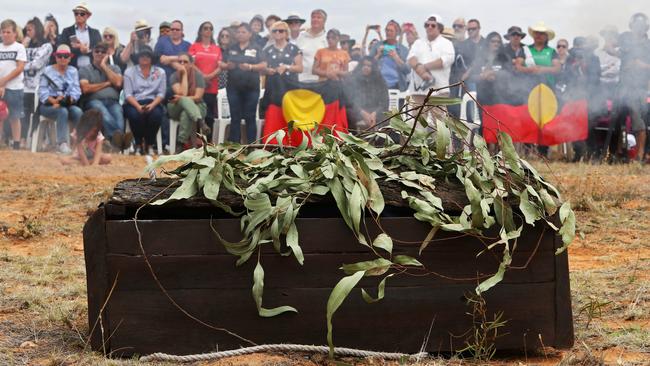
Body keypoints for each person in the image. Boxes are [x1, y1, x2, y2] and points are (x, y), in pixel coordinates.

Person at [609, 13, 650, 162]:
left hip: (638, 88)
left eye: (640, 25)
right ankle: (619, 152)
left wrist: (641, 65)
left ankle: (639, 156)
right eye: (635, 25)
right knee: (618, 119)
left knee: (638, 122)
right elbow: (612, 47)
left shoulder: (648, 44)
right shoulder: (626, 38)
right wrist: (611, 48)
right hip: (623, 85)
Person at [79, 42, 128, 149]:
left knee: (118, 112)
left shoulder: (115, 68)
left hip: (113, 101)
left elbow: (118, 83)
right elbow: (86, 88)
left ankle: (115, 144)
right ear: (92, 53)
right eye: (97, 51)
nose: (99, 54)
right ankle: (120, 140)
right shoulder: (85, 69)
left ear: (107, 54)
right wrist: (107, 83)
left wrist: (104, 66)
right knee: (102, 112)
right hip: (93, 101)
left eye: (103, 52)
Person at [407, 14, 455, 122]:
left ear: (440, 28)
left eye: (433, 25)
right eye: (426, 25)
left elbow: (446, 60)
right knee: (417, 123)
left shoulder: (446, 43)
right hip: (418, 91)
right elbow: (411, 58)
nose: (429, 27)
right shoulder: (418, 42)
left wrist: (424, 66)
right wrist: (422, 72)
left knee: (439, 125)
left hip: (438, 90)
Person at [222, 23, 264, 143]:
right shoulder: (231, 48)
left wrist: (250, 66)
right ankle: (234, 146)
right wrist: (227, 66)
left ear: (250, 34)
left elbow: (264, 64)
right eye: (238, 32)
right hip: (233, 88)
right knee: (235, 117)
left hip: (251, 88)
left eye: (243, 32)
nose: (240, 34)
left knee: (250, 117)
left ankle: (251, 147)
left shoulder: (256, 48)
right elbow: (221, 63)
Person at [38, 44, 83, 154]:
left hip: (66, 103)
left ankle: (79, 144)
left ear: (70, 58)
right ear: (56, 57)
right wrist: (54, 101)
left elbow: (76, 90)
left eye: (66, 56)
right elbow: (42, 92)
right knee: (62, 112)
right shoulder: (47, 70)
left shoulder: (73, 71)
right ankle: (62, 144)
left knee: (78, 112)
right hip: (48, 104)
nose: (62, 58)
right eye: (60, 56)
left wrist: (69, 100)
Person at [123, 46, 166, 155]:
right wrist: (138, 106)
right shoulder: (129, 72)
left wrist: (152, 105)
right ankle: (138, 144)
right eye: (142, 55)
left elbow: (161, 93)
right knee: (134, 115)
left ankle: (150, 144)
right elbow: (128, 94)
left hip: (153, 102)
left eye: (147, 55)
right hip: (134, 102)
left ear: (152, 58)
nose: (145, 58)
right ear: (138, 58)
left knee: (156, 115)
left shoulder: (160, 72)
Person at [260, 21, 303, 118]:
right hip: (273, 87)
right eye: (275, 31)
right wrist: (267, 70)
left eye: (281, 31)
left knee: (290, 117)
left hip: (289, 87)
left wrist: (287, 67)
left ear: (286, 33)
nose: (277, 33)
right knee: (273, 116)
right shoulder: (267, 50)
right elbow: (262, 69)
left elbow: (300, 68)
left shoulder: (294, 49)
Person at [22, 17, 52, 147]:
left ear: (37, 29)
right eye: (26, 29)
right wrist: (22, 47)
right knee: (23, 113)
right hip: (23, 85)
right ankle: (22, 139)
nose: (27, 32)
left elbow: (37, 64)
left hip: (39, 85)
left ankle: (39, 140)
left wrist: (20, 66)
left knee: (36, 113)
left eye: (30, 29)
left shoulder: (46, 45)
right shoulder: (23, 46)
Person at [168, 52, 207, 149]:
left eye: (185, 62)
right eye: (179, 62)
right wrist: (184, 74)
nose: (182, 64)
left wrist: (182, 98)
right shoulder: (174, 76)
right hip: (176, 107)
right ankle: (200, 121)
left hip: (198, 106)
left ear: (191, 64)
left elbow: (198, 97)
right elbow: (182, 94)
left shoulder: (198, 76)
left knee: (186, 114)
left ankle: (180, 144)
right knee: (183, 100)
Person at [189, 21, 221, 132]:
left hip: (212, 85)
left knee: (210, 114)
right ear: (200, 31)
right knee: (198, 113)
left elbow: (220, 66)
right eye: (205, 28)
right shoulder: (194, 46)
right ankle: (196, 142)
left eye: (210, 28)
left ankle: (209, 142)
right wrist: (202, 76)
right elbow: (190, 63)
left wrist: (210, 76)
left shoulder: (217, 48)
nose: (208, 30)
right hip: (197, 85)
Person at [0, 19, 27, 150]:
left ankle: (16, 144)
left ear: (15, 33)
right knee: (0, 115)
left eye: (8, 32)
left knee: (14, 117)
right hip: (1, 86)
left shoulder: (19, 47)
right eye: (3, 32)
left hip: (15, 87)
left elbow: (19, 68)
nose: (5, 34)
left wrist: (4, 80)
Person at [345, 56, 388, 132]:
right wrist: (363, 113)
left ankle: (380, 143)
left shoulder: (380, 81)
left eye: (369, 66)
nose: (366, 68)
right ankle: (353, 142)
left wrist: (374, 114)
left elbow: (385, 102)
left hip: (375, 111)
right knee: (347, 114)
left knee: (388, 119)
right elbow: (349, 101)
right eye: (364, 65)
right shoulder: (352, 80)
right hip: (358, 111)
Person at [57, 3, 101, 68]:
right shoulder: (67, 31)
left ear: (88, 16)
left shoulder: (95, 33)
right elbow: (61, 50)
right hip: (71, 69)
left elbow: (100, 50)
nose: (78, 16)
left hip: (92, 70)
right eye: (76, 13)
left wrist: (87, 50)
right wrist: (79, 50)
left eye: (82, 14)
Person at [369, 20, 410, 91]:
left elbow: (407, 70)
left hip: (397, 87)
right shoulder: (377, 46)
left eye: (391, 31)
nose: (388, 33)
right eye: (387, 30)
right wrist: (378, 55)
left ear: (397, 33)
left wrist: (396, 58)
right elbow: (367, 65)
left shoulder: (403, 49)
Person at [296, 9, 328, 82]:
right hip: (302, 79)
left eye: (319, 17)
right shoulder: (302, 36)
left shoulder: (328, 38)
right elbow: (294, 56)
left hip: (321, 81)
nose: (315, 19)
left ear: (324, 21)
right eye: (313, 17)